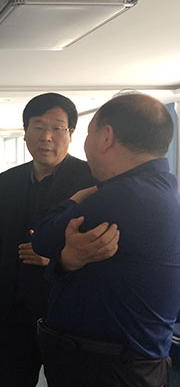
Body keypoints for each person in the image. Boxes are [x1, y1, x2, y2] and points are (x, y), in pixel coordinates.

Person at [32, 93, 180, 387]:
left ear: (106, 137)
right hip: (129, 361)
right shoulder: (164, 189)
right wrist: (66, 261)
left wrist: (75, 199)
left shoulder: (123, 196)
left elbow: (44, 238)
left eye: (88, 133)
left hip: (108, 368)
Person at [0, 93, 95, 386]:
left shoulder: (91, 180)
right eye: (38, 127)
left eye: (57, 128)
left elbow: (102, 249)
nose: (46, 137)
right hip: (11, 315)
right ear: (25, 133)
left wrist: (55, 258)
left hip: (67, 317)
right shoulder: (8, 181)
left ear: (71, 134)